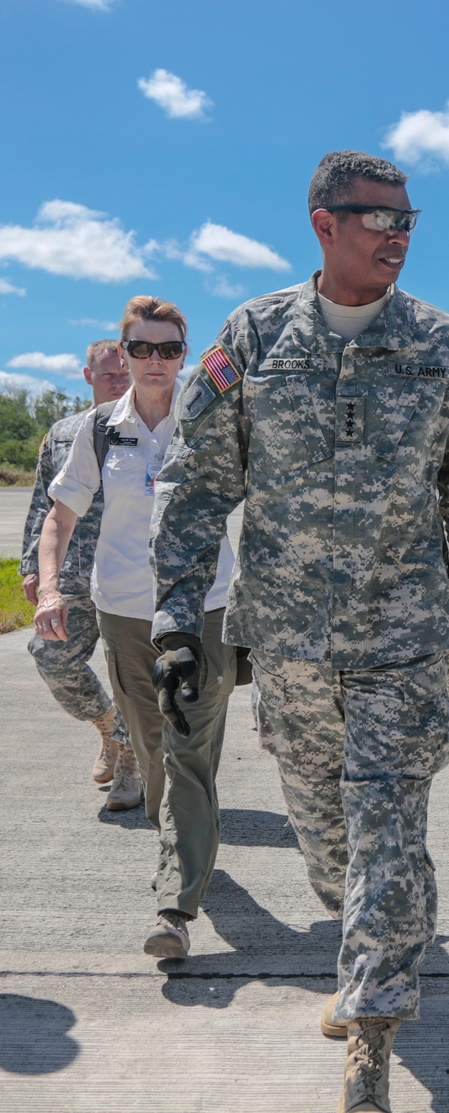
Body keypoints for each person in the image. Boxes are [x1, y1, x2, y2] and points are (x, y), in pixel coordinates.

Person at [148, 150, 449, 1113]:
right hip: (292, 644)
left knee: (389, 826)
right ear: (324, 222)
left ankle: (370, 1042)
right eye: (378, 219)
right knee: (332, 844)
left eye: (407, 221)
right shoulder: (253, 336)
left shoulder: (438, 343)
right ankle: (371, 944)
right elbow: (193, 484)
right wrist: (180, 619)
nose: (396, 236)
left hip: (405, 638)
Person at [32, 296, 237, 961]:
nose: (154, 361)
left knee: (189, 751)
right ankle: (181, 838)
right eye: (141, 349)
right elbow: (57, 519)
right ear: (123, 356)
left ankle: (174, 907)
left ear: (185, 354)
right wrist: (51, 584)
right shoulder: (97, 431)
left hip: (204, 608)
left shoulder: (210, 422)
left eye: (168, 349)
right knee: (153, 755)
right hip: (124, 615)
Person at [19, 340, 137, 809]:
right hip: (74, 573)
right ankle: (108, 726)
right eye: (108, 375)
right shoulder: (64, 432)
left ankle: (131, 759)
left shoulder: (151, 425)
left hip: (130, 574)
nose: (118, 382)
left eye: (123, 373)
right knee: (52, 658)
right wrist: (33, 565)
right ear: (88, 377)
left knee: (132, 671)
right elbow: (42, 504)